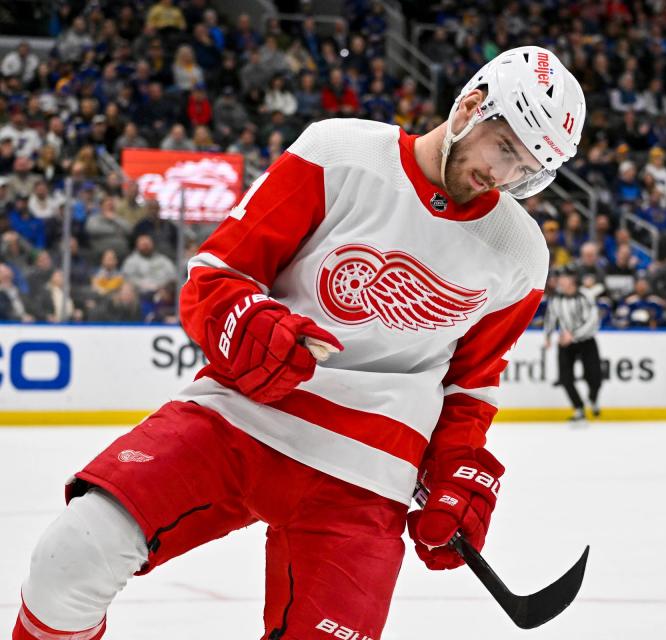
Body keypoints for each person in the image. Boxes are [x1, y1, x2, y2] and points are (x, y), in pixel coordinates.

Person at [13, 46, 585, 640]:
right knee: (69, 559)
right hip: (240, 416)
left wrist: (456, 473)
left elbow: (471, 384)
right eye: (506, 150)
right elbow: (216, 277)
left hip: (370, 471)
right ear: (471, 106)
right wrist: (255, 327)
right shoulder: (338, 151)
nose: (507, 176)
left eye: (528, 169)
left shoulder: (520, 253)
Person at [543, 270, 603, 424]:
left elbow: (593, 320)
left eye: (564, 277)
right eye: (559, 278)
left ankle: (593, 399)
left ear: (572, 279)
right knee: (565, 378)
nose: (560, 281)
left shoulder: (585, 295)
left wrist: (574, 335)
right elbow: (551, 317)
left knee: (595, 375)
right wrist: (548, 336)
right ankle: (579, 408)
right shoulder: (556, 298)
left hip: (586, 340)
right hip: (565, 342)